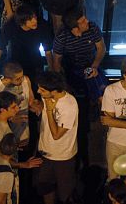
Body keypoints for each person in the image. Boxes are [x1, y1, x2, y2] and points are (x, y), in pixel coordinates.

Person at [33, 71, 79, 204]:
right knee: (45, 189)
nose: (38, 91)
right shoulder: (47, 97)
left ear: (53, 90)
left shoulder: (69, 105)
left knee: (65, 194)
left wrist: (48, 110)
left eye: (42, 89)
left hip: (62, 157)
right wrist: (39, 107)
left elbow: (56, 135)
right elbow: (43, 110)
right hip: (45, 152)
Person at [52, 7, 107, 100]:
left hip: (91, 64)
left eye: (85, 18)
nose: (87, 21)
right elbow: (57, 60)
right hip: (71, 68)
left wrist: (94, 66)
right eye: (82, 21)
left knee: (103, 92)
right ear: (75, 28)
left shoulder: (93, 28)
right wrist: (60, 82)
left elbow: (101, 48)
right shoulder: (62, 37)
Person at [0, 4, 53, 83]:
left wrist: (52, 71)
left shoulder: (43, 26)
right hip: (14, 61)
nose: (34, 21)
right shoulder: (10, 26)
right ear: (22, 22)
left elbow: (48, 51)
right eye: (30, 19)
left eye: (35, 17)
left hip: (35, 61)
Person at [0, 62, 34, 146]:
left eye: (22, 76)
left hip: (23, 136)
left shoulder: (26, 80)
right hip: (4, 140)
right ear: (7, 79)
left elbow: (31, 99)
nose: (22, 80)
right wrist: (10, 118)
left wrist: (35, 105)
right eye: (18, 79)